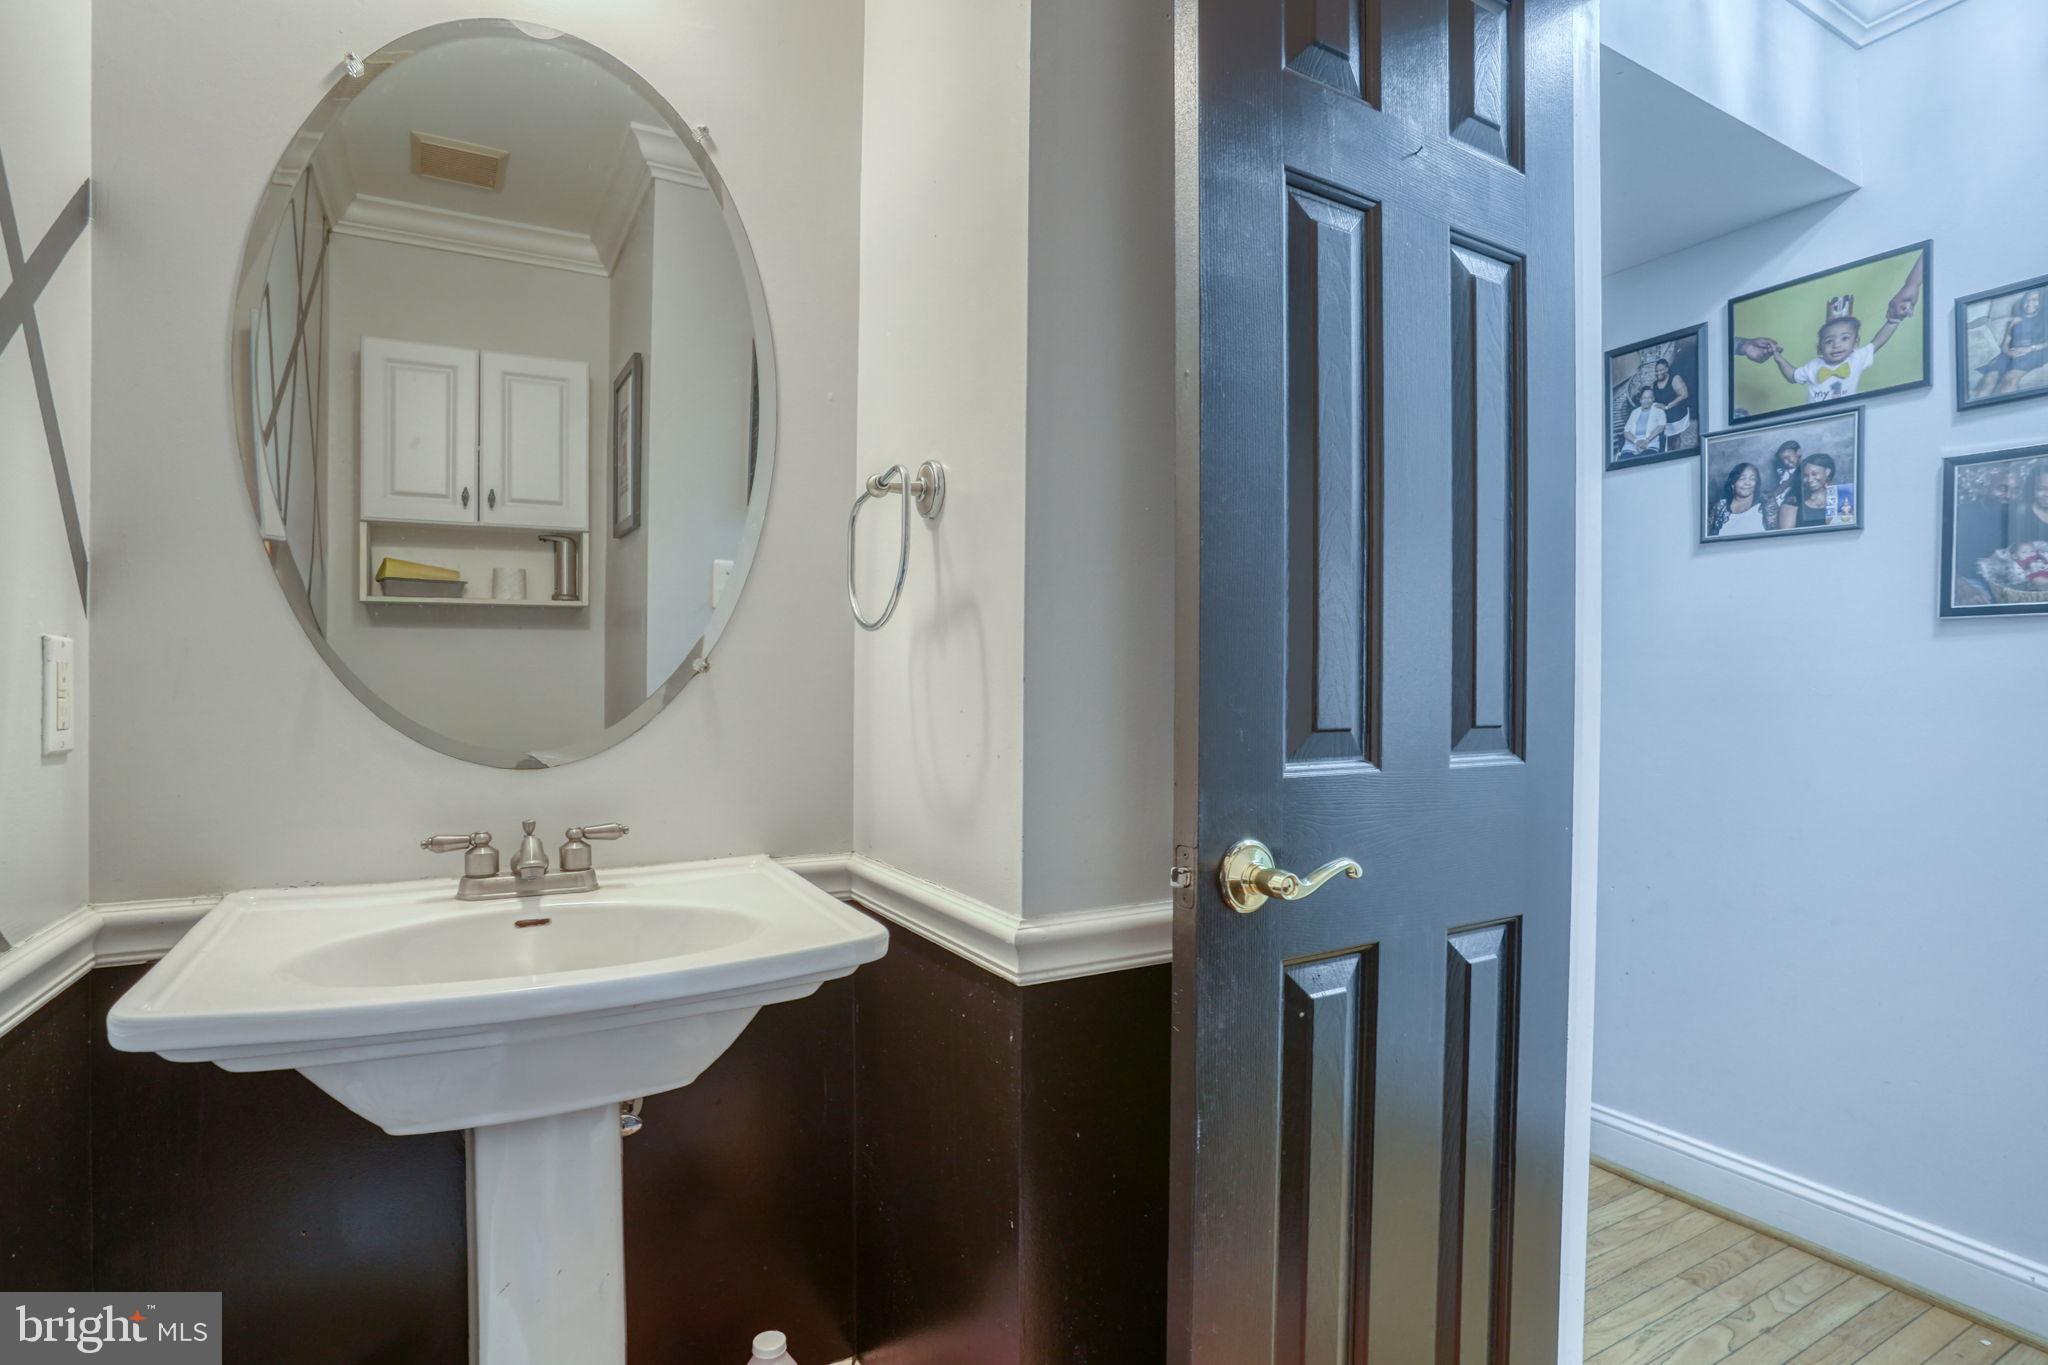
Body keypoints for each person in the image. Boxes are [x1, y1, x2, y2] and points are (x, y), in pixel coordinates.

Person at [1743, 253, 1925, 405]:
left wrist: (1893, 321)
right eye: (1829, 341)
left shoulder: (1856, 358)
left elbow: (1877, 341)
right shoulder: (1814, 366)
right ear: (1819, 348)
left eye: (1844, 338)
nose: (1836, 345)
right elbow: (1792, 376)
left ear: (1856, 342)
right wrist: (1779, 359)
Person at [1973, 290, 2048, 400]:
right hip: (2010, 354)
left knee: (2010, 377)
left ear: (2040, 302)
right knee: (1989, 378)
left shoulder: (2044, 320)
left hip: (2034, 353)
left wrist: (2029, 349)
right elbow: (2004, 344)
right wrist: (2009, 353)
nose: (2029, 303)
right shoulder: (2014, 321)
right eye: (2027, 300)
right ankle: (1977, 413)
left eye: (2034, 300)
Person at [1776, 452, 1847, 529]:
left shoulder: (1843, 497)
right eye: (1805, 476)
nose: (1809, 480)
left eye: (1814, 474)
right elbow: (1787, 537)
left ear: (1827, 472)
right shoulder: (1793, 501)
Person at [1708, 462, 1767, 538]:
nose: (1747, 483)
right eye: (1742, 478)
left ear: (1756, 483)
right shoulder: (1720, 507)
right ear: (1732, 483)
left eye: (1752, 479)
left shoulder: (1765, 506)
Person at [1649, 357, 1693, 446]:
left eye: (1661, 370)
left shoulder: (1675, 379)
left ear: (1667, 369)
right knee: (1666, 441)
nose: (1658, 373)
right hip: (1664, 420)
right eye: (1656, 371)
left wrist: (1667, 406)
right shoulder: (1654, 384)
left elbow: (1684, 394)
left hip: (1677, 417)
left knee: (1675, 440)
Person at [1619, 386, 1665, 458]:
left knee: (1645, 461)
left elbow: (1661, 427)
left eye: (1650, 398)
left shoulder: (1659, 411)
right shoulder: (1634, 412)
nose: (1647, 401)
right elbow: (1626, 431)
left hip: (1650, 443)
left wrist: (1647, 440)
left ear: (1653, 399)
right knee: (1626, 462)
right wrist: (1636, 441)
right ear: (1640, 400)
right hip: (1632, 443)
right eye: (1644, 398)